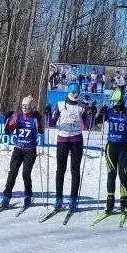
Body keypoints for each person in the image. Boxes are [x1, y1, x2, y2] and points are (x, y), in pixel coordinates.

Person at [95, 87, 127, 214]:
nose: (112, 104)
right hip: (111, 146)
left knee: (123, 174)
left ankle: (124, 202)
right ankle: (110, 202)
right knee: (111, 174)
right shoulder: (109, 112)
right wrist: (100, 113)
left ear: (119, 101)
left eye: (114, 101)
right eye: (112, 102)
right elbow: (96, 123)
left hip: (124, 148)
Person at [48, 82, 91, 213]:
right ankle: (59, 198)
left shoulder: (81, 107)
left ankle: (73, 199)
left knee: (75, 170)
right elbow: (51, 123)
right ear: (69, 92)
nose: (75, 95)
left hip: (77, 141)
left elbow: (89, 125)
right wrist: (48, 113)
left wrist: (91, 114)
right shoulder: (60, 105)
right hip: (63, 140)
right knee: (60, 170)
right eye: (73, 92)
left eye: (77, 92)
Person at [0, 96, 44, 208]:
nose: (25, 108)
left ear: (31, 107)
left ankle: (28, 195)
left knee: (26, 174)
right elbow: (7, 131)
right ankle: (6, 196)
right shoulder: (17, 116)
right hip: (18, 149)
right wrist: (6, 119)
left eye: (27, 106)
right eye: (23, 106)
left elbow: (41, 131)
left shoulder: (34, 117)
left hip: (30, 150)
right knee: (12, 172)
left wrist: (39, 119)